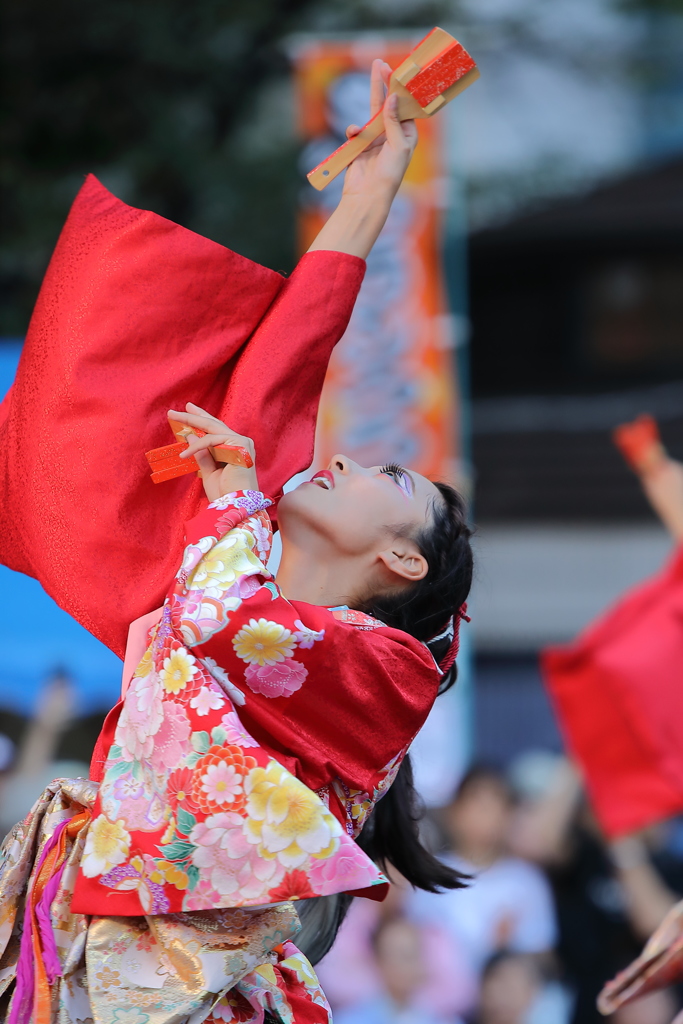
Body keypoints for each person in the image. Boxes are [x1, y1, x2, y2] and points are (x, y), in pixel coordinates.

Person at [0, 60, 474, 1024]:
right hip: (109, 928)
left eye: (389, 478)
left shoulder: (393, 668)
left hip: (223, 965)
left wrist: (232, 499)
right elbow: (291, 358)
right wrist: (369, 192)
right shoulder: (229, 551)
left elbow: (224, 618)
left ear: (402, 561)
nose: (341, 461)